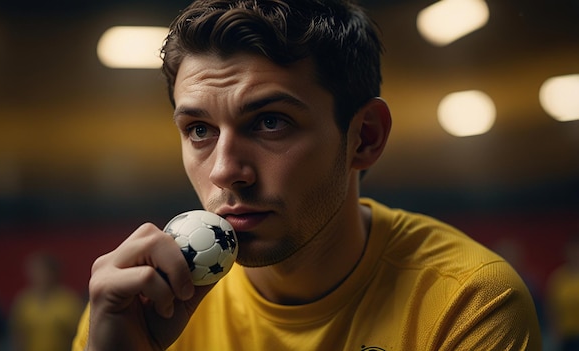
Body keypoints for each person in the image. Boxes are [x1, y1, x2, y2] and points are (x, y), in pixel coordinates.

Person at [73, 0, 542, 349]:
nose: (225, 172)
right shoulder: (134, 305)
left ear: (365, 138)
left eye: (270, 121)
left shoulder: (468, 303)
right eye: (199, 129)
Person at [10, 253, 83, 351]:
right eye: (35, 271)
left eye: (43, 271)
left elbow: (78, 335)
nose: (39, 275)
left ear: (54, 273)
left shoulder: (69, 302)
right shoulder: (24, 302)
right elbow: (17, 335)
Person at [545, 234, 579, 351]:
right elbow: (551, 308)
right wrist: (555, 332)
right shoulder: (559, 278)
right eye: (572, 251)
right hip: (566, 336)